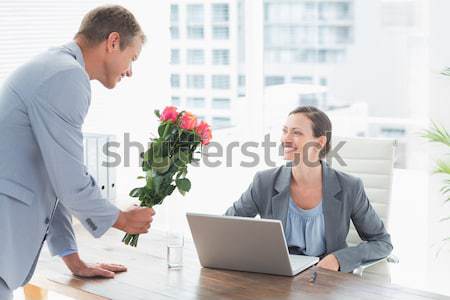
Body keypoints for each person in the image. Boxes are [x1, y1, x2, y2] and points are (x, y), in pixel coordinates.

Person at [0, 5, 155, 299]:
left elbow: (52, 177)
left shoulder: (53, 66)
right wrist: (121, 219)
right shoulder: (68, 77)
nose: (130, 71)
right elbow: (71, 181)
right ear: (112, 42)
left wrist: (73, 258)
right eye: (131, 58)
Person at [225, 106, 393, 273]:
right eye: (285, 131)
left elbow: (382, 242)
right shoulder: (264, 182)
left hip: (326, 281)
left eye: (296, 133)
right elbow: (226, 227)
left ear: (319, 142)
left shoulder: (349, 187)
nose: (286, 139)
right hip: (277, 277)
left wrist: (339, 259)